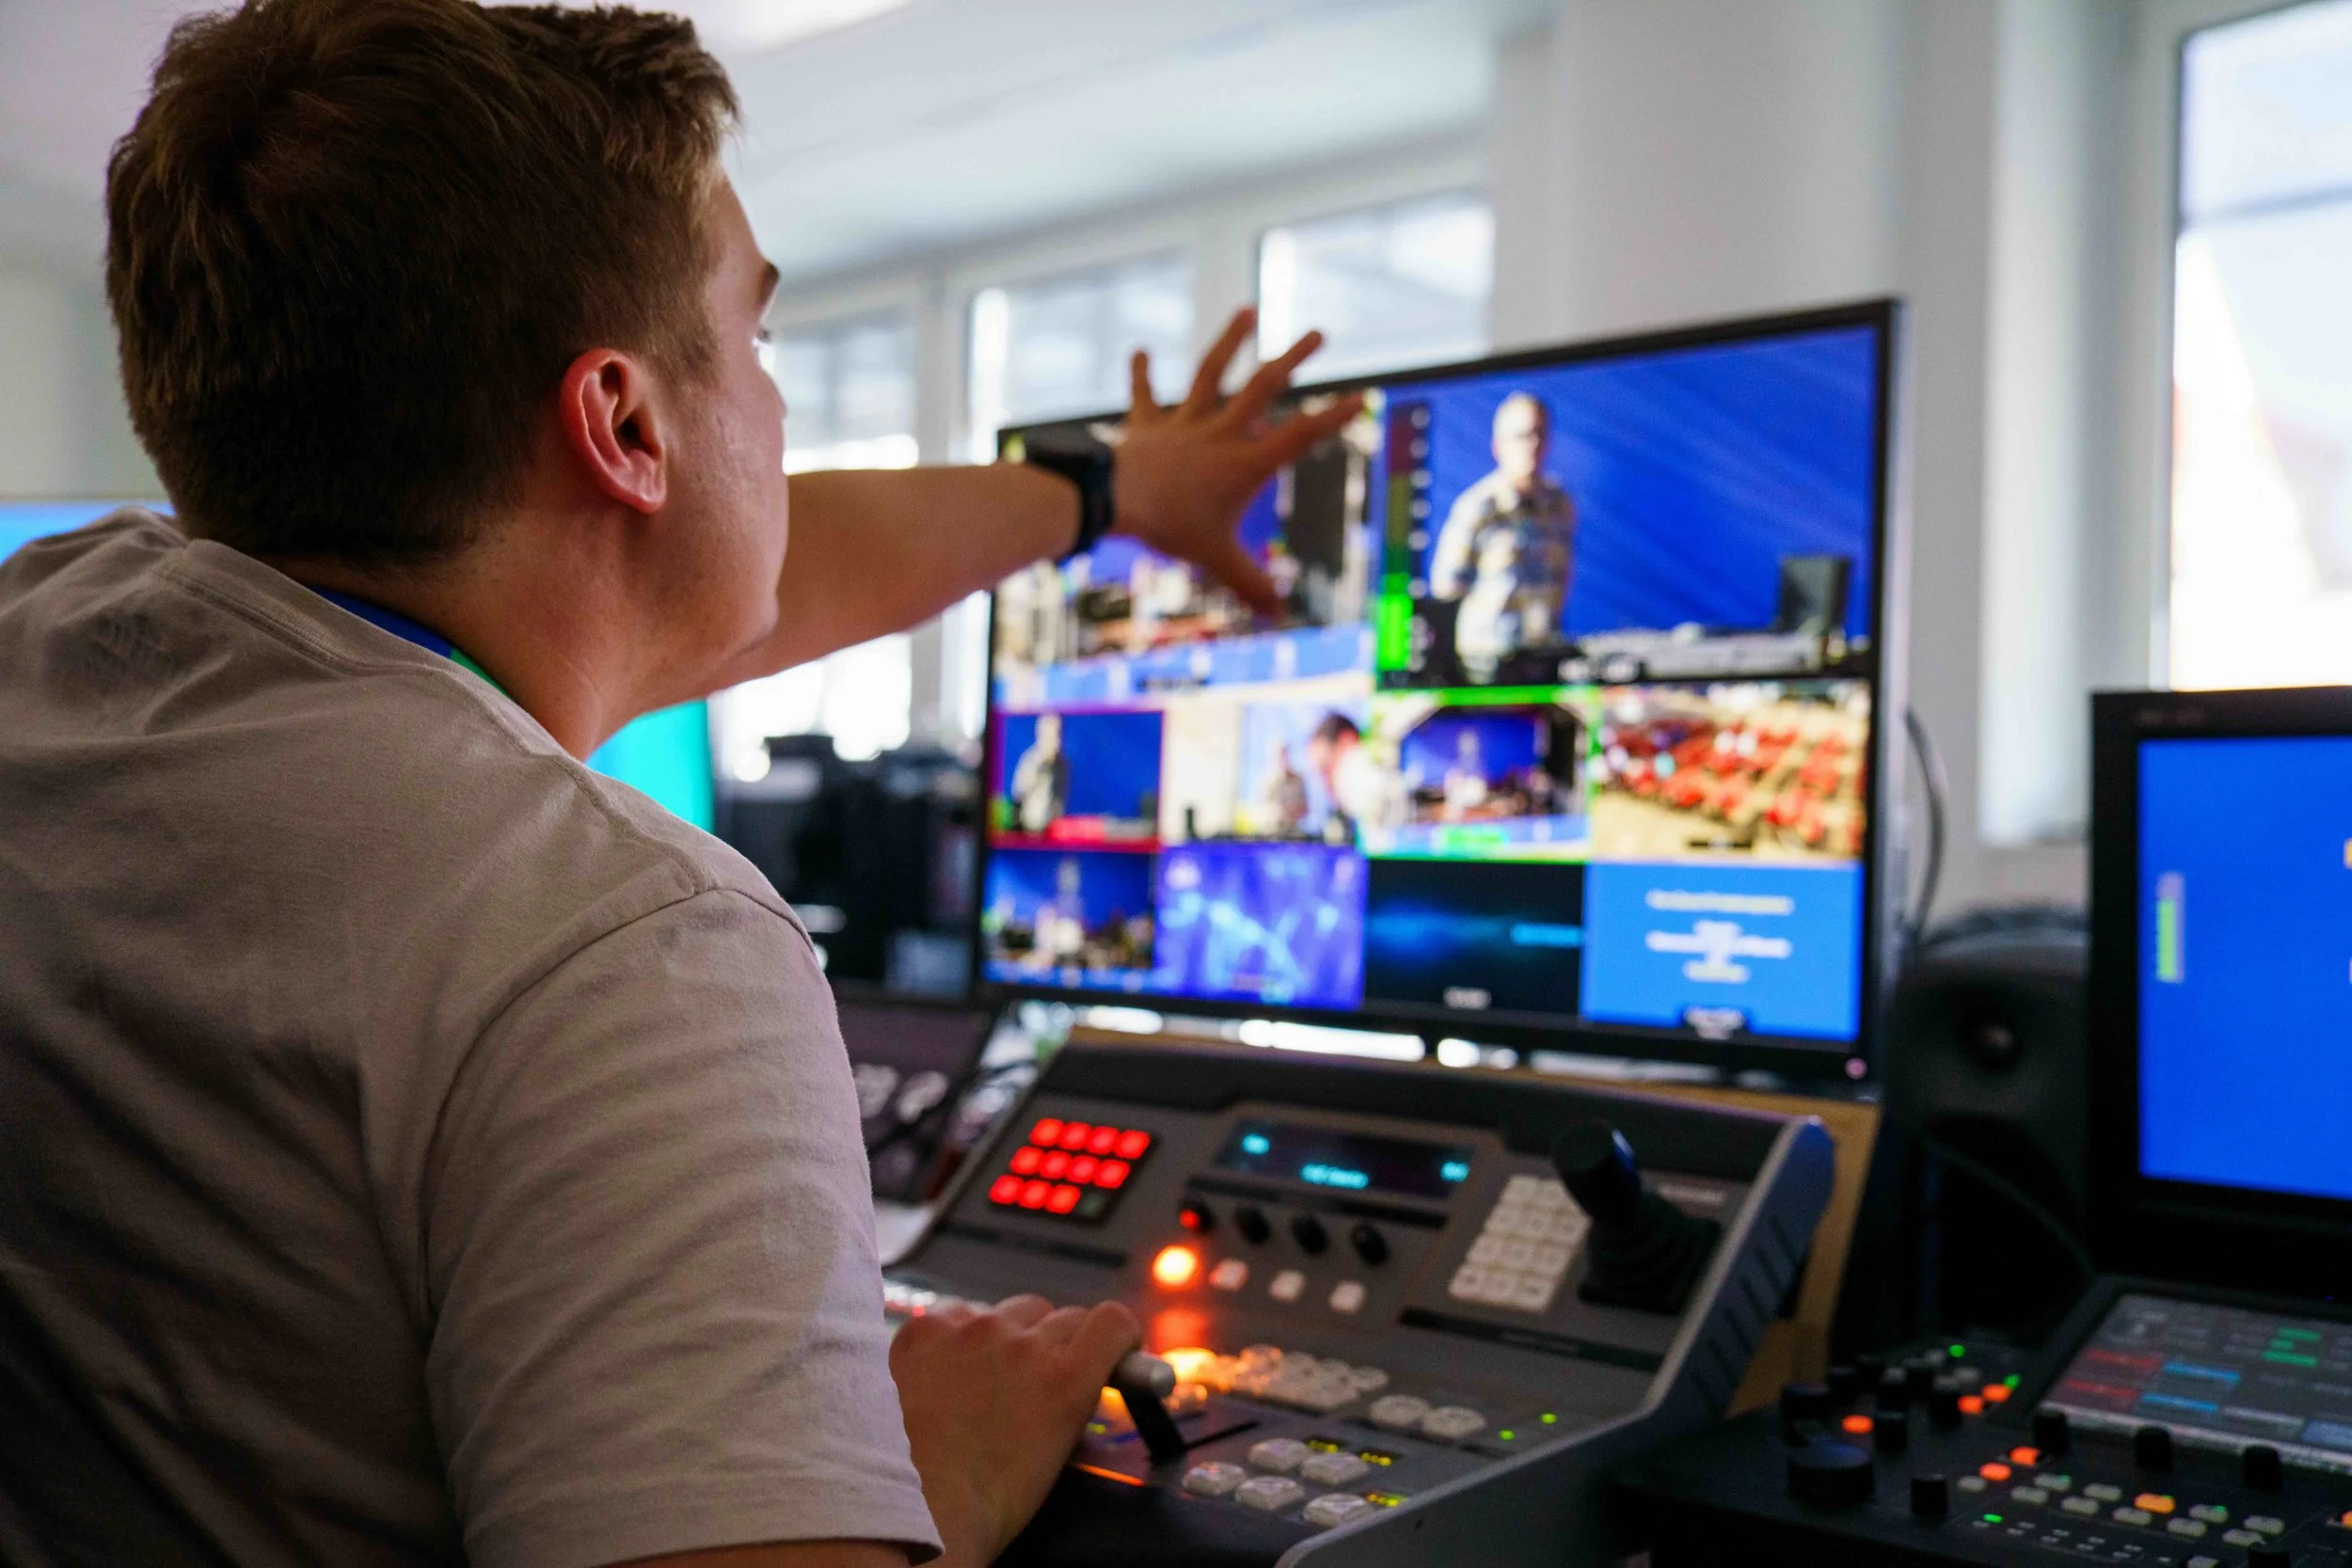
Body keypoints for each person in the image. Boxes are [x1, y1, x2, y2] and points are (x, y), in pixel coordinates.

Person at [0, 3, 1360, 1567]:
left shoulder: (55, 635)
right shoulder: (619, 941)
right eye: (760, 338)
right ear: (626, 423)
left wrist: (1110, 492)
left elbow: (746, 567)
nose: (779, 417)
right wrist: (924, 1476)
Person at [1427, 392, 1578, 679]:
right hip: (1487, 667)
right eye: (1521, 436)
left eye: (1538, 434)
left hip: (1543, 659)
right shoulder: (1479, 507)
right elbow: (1446, 587)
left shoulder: (1561, 505)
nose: (1531, 445)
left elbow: (1563, 575)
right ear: (1498, 446)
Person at [1009, 713, 1070, 833]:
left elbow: (1060, 801)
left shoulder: (1062, 764)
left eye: (1057, 735)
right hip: (1028, 830)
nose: (1053, 741)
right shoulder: (1030, 760)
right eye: (1048, 736)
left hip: (1051, 831)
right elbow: (1017, 794)